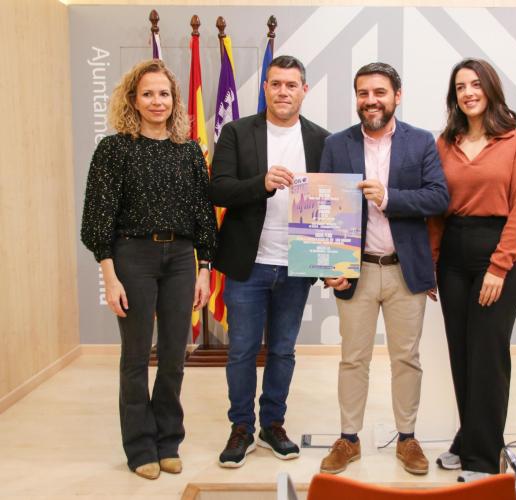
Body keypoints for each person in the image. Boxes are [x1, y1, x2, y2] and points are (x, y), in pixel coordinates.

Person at [80, 59, 218, 480]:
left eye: (164, 94)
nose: (157, 101)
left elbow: (203, 216)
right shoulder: (114, 150)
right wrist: (110, 276)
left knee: (175, 355)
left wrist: (204, 268)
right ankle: (140, 447)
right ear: (133, 100)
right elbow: (97, 219)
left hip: (180, 259)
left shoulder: (189, 151)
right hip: (132, 258)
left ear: (174, 100)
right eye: (148, 94)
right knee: (137, 356)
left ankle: (168, 441)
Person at [318, 62, 449, 476]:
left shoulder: (421, 141)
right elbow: (323, 206)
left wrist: (389, 198)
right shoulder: (336, 144)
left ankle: (407, 438)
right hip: (353, 269)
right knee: (352, 359)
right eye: (363, 93)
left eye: (379, 92)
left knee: (406, 358)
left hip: (403, 271)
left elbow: (438, 198)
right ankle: (349, 439)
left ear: (397, 95)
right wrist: (328, 267)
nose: (371, 100)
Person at [209, 55, 329, 468]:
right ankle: (241, 427)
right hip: (249, 263)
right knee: (242, 351)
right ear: (265, 88)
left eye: (291, 85)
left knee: (283, 351)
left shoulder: (321, 139)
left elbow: (333, 205)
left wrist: (331, 265)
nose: (283, 91)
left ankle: (272, 424)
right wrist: (260, 183)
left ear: (304, 90)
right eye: (275, 84)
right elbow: (218, 189)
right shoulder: (237, 132)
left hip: (297, 265)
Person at [428, 58, 516, 482]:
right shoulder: (445, 142)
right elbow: (437, 210)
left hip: (497, 254)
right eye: (460, 87)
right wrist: (432, 262)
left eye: (475, 84)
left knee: (487, 356)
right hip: (453, 256)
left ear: (490, 89)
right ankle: (469, 439)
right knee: (462, 355)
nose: (468, 93)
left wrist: (499, 266)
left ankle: (482, 460)